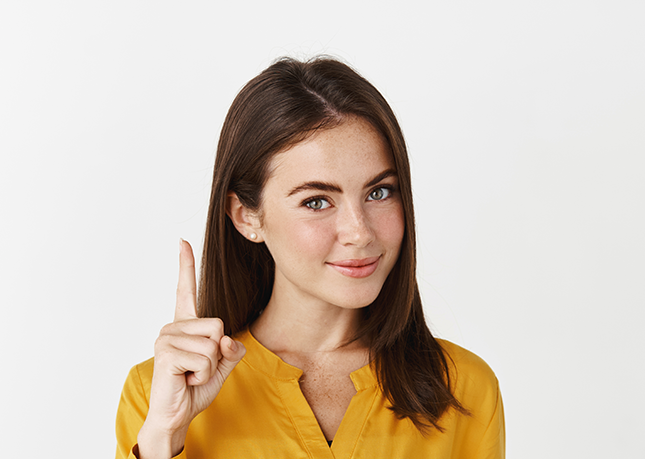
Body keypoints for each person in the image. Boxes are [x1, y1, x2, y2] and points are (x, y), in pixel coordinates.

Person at [115, 56, 504, 459]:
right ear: (247, 216)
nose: (359, 232)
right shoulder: (160, 393)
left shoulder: (463, 389)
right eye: (317, 201)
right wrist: (163, 437)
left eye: (378, 192)